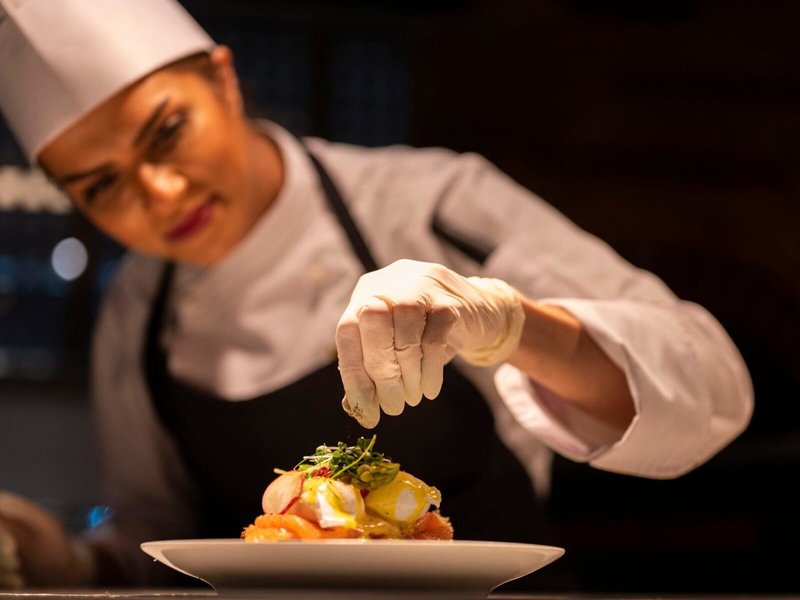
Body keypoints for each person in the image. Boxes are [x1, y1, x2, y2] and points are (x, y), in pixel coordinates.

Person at [0, 0, 753, 589]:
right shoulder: (137, 311)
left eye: (167, 132)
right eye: (101, 185)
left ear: (224, 79)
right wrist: (65, 561)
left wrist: (512, 326)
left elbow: (715, 384)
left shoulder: (432, 202)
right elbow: (157, 534)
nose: (160, 192)